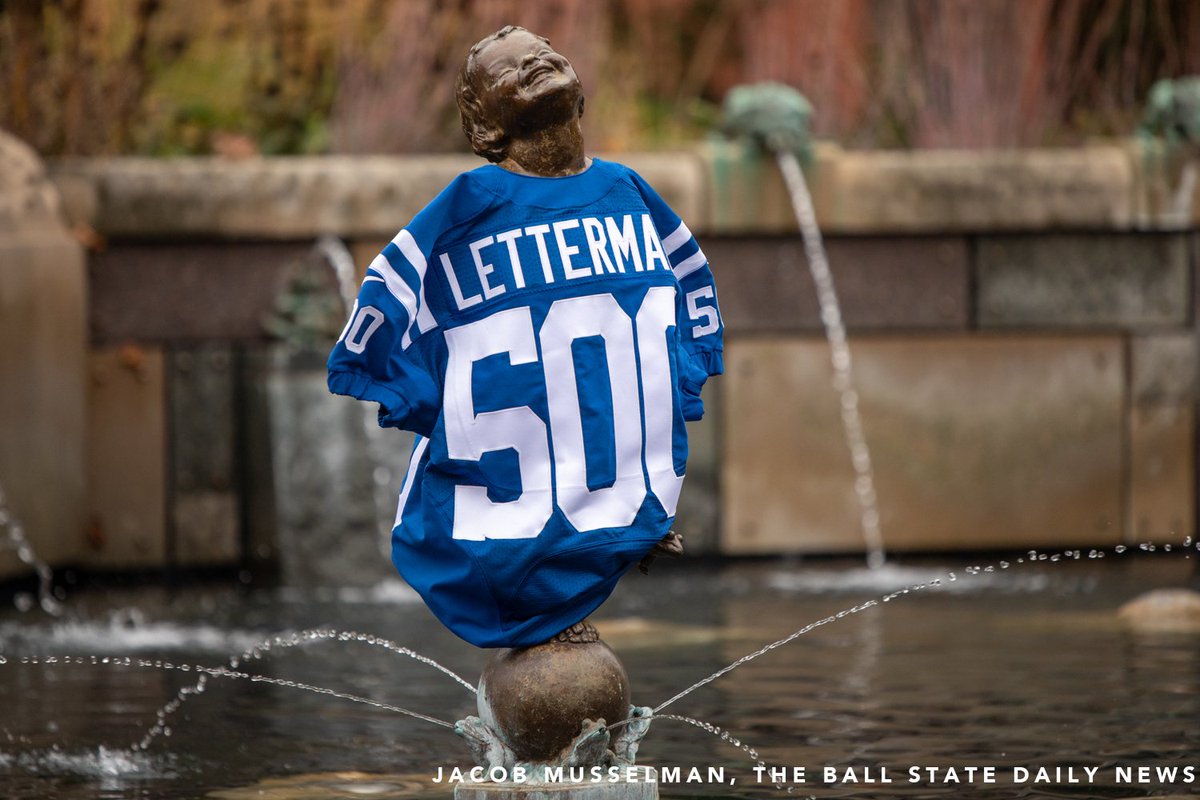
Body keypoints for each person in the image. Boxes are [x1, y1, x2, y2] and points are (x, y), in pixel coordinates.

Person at [327, 26, 723, 648]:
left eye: (547, 53)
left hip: (615, 493)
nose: (536, 61)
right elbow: (378, 327)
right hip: (505, 515)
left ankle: (615, 526)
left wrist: (671, 405)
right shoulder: (463, 212)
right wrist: (417, 395)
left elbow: (684, 319)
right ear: (485, 129)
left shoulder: (630, 195)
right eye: (509, 70)